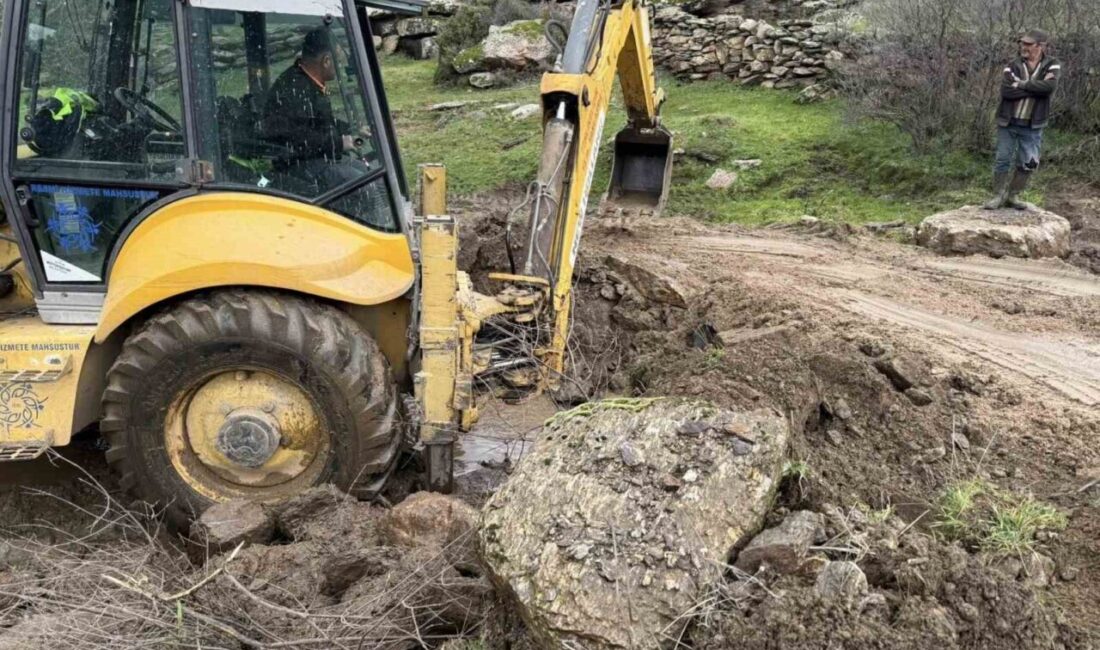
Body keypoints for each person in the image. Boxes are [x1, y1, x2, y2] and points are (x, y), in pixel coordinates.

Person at [263, 27, 365, 193]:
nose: (339, 67)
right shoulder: (294, 89)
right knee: (362, 185)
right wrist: (339, 143)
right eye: (338, 61)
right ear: (326, 61)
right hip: (296, 164)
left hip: (316, 156)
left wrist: (351, 129)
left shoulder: (309, 82)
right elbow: (299, 138)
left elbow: (321, 122)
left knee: (369, 173)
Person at [983, 29, 1062, 211]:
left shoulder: (1052, 64)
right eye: (1022, 43)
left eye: (1028, 44)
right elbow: (1007, 91)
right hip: (1008, 122)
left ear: (1040, 46)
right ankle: (998, 195)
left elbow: (1049, 88)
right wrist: (1035, 89)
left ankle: (1013, 195)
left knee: (1029, 162)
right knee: (1002, 158)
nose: (1023, 47)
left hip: (1032, 124)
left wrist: (1022, 84)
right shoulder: (1013, 64)